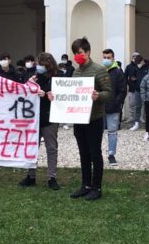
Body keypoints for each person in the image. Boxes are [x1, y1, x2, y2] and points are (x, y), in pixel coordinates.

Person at [68, 37, 112, 201]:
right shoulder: (75, 72)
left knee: (95, 153)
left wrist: (98, 95)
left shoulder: (99, 70)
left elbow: (108, 92)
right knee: (83, 153)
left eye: (79, 52)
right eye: (75, 53)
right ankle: (85, 185)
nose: (77, 56)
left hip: (94, 118)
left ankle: (96, 187)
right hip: (79, 119)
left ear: (88, 52)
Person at [19, 52, 61, 190]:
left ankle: (51, 177)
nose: (39, 67)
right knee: (32, 147)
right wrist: (29, 83)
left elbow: (60, 96)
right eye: (38, 64)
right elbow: (23, 91)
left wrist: (46, 94)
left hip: (50, 117)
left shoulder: (58, 76)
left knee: (51, 148)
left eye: (42, 65)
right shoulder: (34, 76)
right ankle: (31, 175)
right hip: (34, 119)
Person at [102, 48, 127, 166]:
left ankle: (111, 154)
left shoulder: (118, 72)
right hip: (100, 107)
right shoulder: (100, 71)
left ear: (113, 58)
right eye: (105, 57)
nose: (106, 60)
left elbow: (122, 91)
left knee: (112, 132)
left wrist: (116, 103)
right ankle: (95, 155)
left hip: (113, 108)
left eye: (108, 58)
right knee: (97, 132)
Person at [125, 52, 148, 131]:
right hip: (134, 89)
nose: (135, 58)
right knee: (134, 105)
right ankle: (134, 120)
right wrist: (130, 82)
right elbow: (128, 77)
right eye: (134, 57)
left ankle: (144, 120)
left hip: (144, 90)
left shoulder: (145, 67)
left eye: (137, 57)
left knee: (144, 106)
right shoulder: (131, 67)